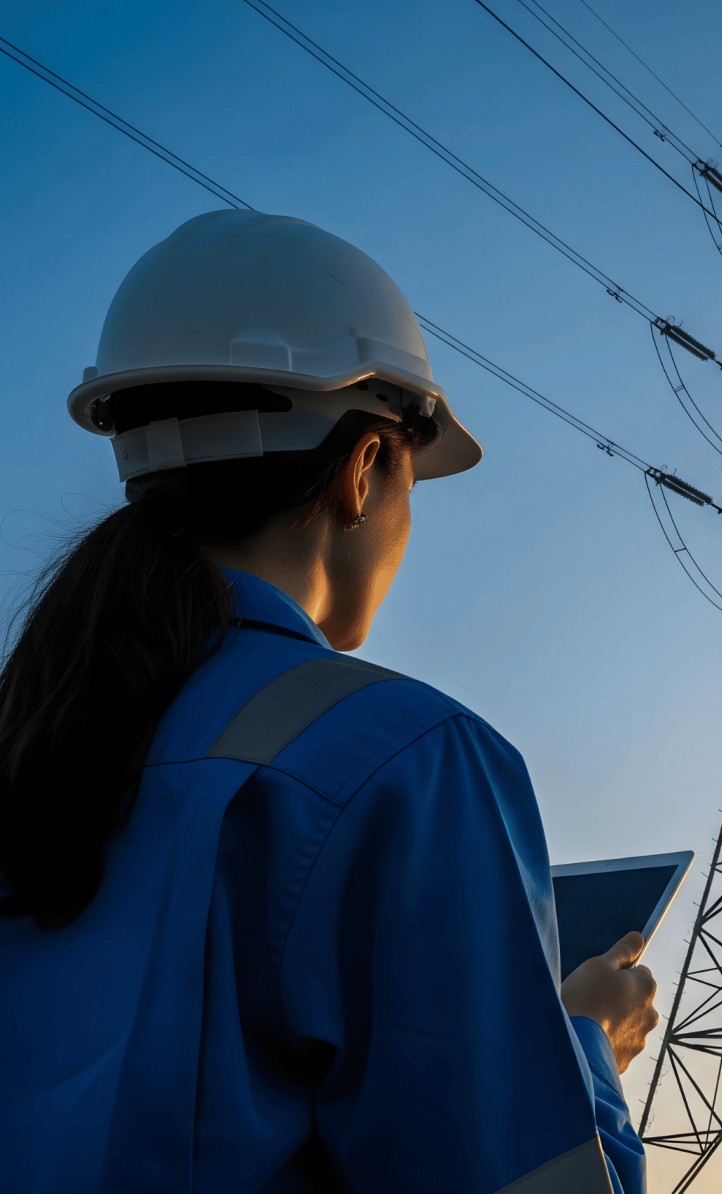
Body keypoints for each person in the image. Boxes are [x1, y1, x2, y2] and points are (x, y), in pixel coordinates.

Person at [0, 210, 658, 1192]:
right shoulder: (406, 759)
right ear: (363, 470)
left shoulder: (37, 736)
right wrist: (583, 1050)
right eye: (410, 481)